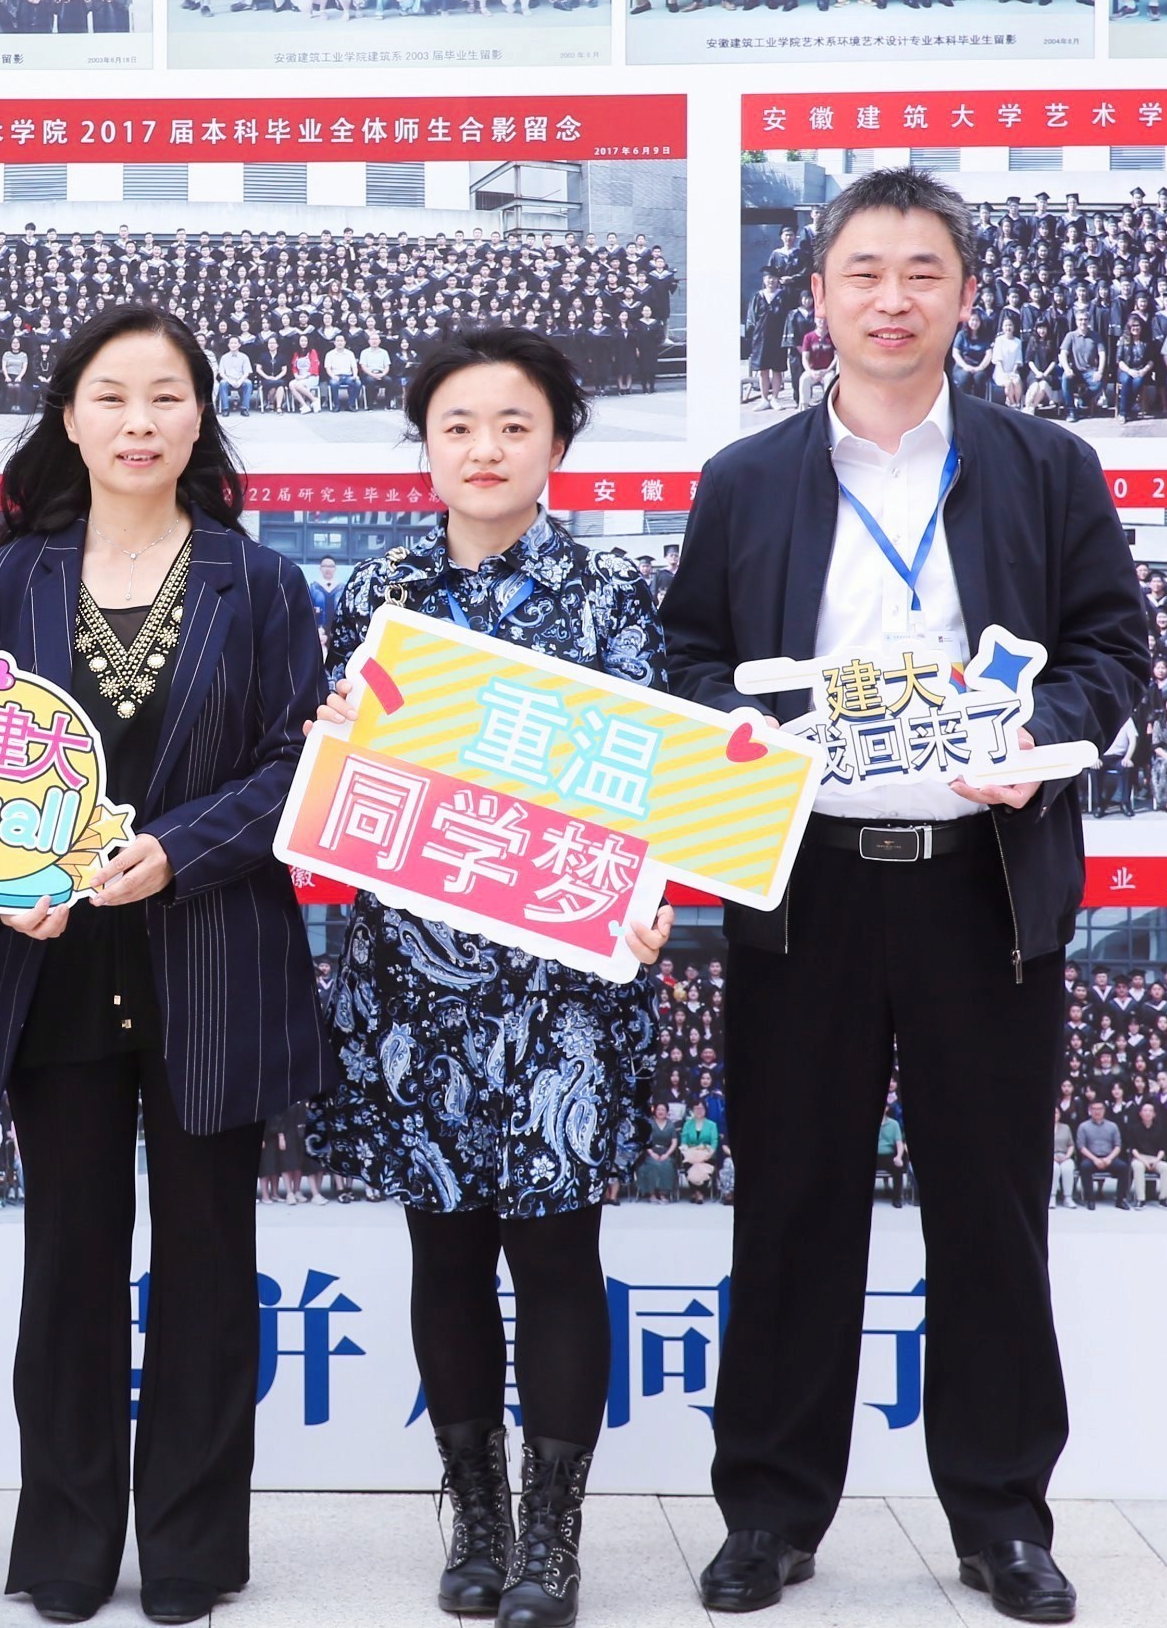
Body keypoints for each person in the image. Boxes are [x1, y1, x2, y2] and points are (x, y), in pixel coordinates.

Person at [658, 166, 1144, 1624]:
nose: (891, 298)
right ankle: (769, 1514)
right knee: (789, 1207)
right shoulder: (747, 477)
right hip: (802, 891)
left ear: (965, 296)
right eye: (863, 272)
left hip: (978, 891)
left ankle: (1002, 1520)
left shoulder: (1044, 466)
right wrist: (746, 738)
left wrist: (1041, 745)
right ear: (815, 297)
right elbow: (689, 659)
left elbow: (1110, 654)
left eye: (922, 272)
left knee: (990, 1215)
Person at [0, 305, 325, 1628]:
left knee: (209, 1267)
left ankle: (190, 1547)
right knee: (67, 1262)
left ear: (199, 417)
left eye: (166, 396)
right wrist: (5, 880)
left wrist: (178, 851)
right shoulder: (15, 577)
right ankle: (64, 1543)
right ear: (68, 417)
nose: (138, 422)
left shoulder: (261, 582)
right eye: (111, 397)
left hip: (209, 961)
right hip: (56, 966)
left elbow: (297, 765)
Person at [306, 325, 674, 1628]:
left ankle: (553, 1539)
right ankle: (477, 1519)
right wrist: (332, 747)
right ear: (423, 444)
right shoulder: (373, 597)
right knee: (445, 1249)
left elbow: (661, 792)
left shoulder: (613, 597)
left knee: (558, 1253)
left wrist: (650, 897)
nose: (484, 449)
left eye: (514, 425)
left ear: (557, 443)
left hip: (563, 985)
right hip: (411, 982)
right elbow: (330, 781)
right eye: (457, 425)